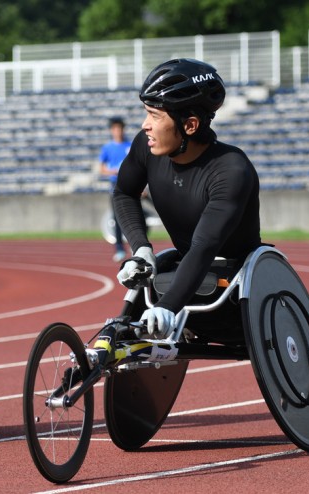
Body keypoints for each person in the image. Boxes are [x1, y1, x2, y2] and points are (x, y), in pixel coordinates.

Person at [113, 58, 261, 339]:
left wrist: (168, 306)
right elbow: (124, 193)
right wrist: (141, 249)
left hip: (234, 281)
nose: (145, 126)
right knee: (119, 337)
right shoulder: (145, 147)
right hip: (186, 264)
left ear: (190, 125)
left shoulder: (232, 170)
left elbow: (205, 246)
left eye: (155, 116)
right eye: (146, 114)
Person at [99, 117, 131, 262]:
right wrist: (114, 171)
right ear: (112, 130)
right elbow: (102, 169)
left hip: (130, 184)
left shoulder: (129, 145)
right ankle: (119, 249)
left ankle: (135, 246)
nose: (118, 131)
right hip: (115, 185)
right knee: (117, 217)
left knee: (133, 216)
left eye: (120, 128)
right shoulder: (107, 148)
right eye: (115, 129)